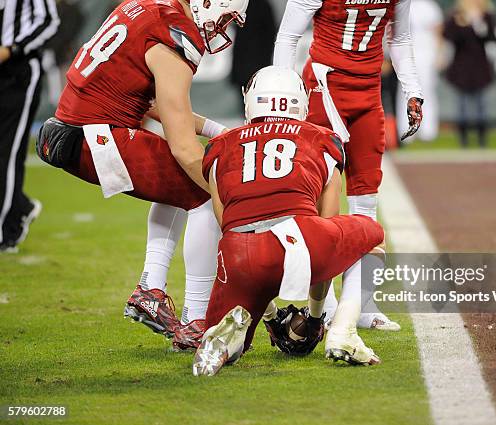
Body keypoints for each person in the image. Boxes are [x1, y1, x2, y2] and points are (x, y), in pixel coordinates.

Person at [36, 0, 248, 350]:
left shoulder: (144, 8)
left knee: (180, 186)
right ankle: (196, 322)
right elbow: (183, 147)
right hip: (95, 135)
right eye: (224, 17)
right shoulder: (174, 34)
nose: (222, 27)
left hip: (75, 128)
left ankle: (151, 289)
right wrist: (228, 200)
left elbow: (155, 104)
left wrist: (217, 130)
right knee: (204, 192)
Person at [193, 66, 384, 377]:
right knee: (372, 236)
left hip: (239, 253)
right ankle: (343, 332)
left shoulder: (220, 146)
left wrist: (269, 315)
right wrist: (314, 316)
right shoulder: (322, 139)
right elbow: (328, 223)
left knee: (239, 325)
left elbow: (227, 222)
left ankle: (228, 341)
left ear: (251, 101)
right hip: (300, 241)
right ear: (301, 102)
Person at [272, 0, 424, 332]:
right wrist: (281, 96)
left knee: (366, 197)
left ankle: (362, 303)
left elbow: (399, 38)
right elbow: (287, 36)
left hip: (369, 91)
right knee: (317, 199)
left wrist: (413, 89)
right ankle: (321, 302)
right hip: (325, 86)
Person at [0, 0, 59, 253]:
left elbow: (49, 20)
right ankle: (20, 207)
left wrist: (11, 48)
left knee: (7, 152)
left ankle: (5, 231)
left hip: (17, 71)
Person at [442, 0, 496, 148]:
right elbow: (449, 37)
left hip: (480, 68)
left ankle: (482, 140)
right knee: (462, 106)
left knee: (481, 106)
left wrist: (478, 24)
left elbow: (493, 38)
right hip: (461, 68)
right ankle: (464, 140)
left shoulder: (486, 16)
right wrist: (463, 24)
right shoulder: (456, 16)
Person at [398, 0, 444, 142]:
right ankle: (406, 129)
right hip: (405, 53)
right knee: (404, 92)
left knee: (426, 91)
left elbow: (438, 31)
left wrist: (440, 54)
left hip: (426, 54)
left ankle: (428, 130)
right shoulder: (400, 5)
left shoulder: (429, 6)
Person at [229, 0, 277, 102]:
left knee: (257, 99)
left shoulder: (261, 5)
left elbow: (270, 33)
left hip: (256, 62)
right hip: (247, 61)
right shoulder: (239, 5)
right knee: (249, 99)